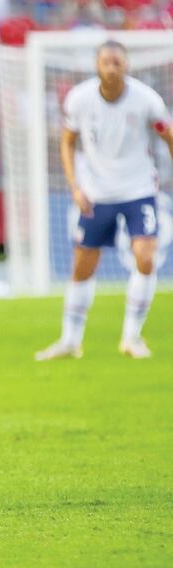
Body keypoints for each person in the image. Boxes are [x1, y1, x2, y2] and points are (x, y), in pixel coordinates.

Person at [36, 40, 173, 361]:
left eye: (117, 62)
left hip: (138, 189)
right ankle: (70, 340)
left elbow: (167, 134)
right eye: (106, 62)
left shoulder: (146, 101)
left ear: (126, 66)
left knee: (145, 256)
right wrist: (75, 186)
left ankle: (131, 337)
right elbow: (68, 141)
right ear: (97, 66)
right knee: (82, 265)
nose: (112, 67)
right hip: (97, 192)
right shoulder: (79, 100)